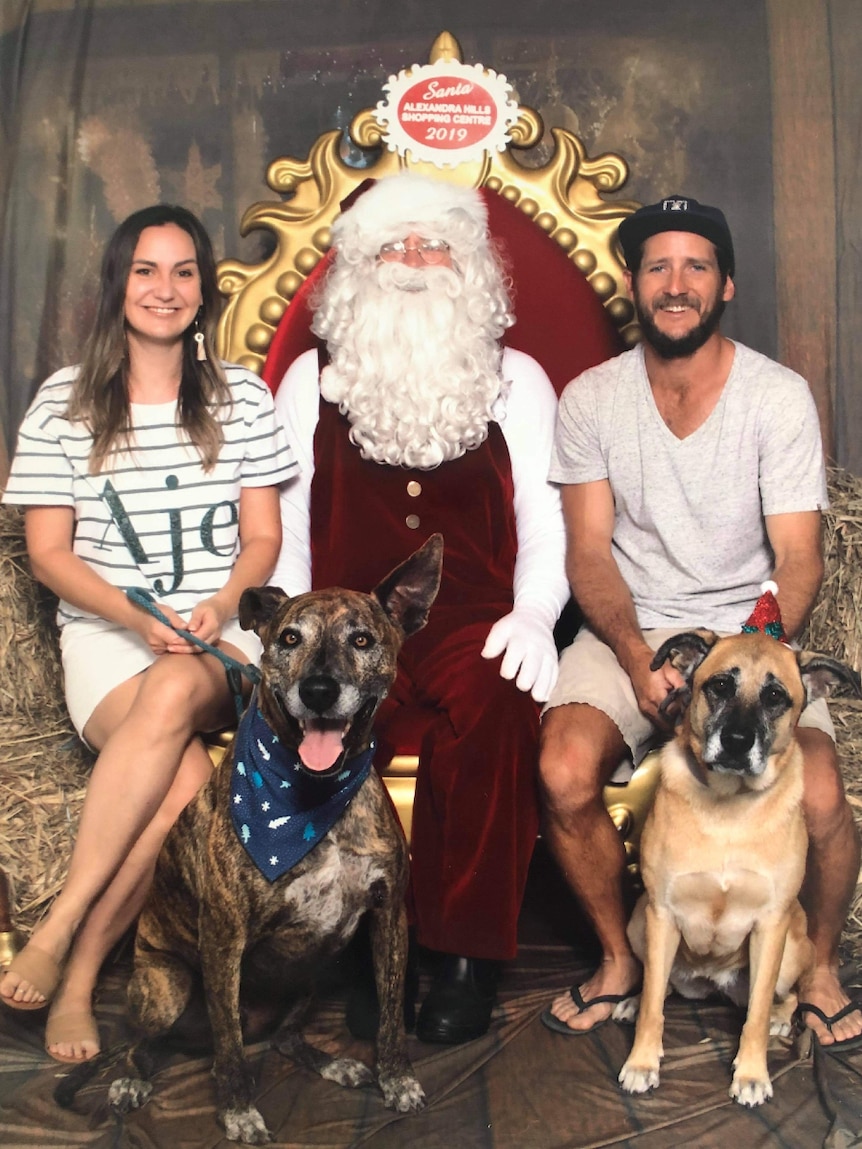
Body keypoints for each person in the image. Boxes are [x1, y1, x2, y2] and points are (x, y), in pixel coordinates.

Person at [538, 194, 862, 1051]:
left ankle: (819, 966)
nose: (675, 285)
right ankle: (621, 958)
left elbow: (801, 560)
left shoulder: (777, 397)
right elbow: (589, 555)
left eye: (695, 267)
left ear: (725, 286)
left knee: (823, 795)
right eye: (657, 267)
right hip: (631, 633)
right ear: (633, 285)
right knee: (564, 770)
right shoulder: (589, 398)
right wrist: (643, 658)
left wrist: (733, 667)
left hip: (749, 642)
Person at [270, 173, 571, 1044]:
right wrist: (294, 641)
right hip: (344, 629)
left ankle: (465, 958)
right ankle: (370, 947)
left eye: (431, 243)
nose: (411, 261)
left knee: (495, 706)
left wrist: (534, 616)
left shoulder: (518, 380)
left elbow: (545, 524)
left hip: (472, 624)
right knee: (332, 724)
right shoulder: (308, 381)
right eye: (392, 245)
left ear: (467, 264)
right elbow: (288, 526)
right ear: (359, 263)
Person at [0, 205, 297, 1063]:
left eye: (182, 273)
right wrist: (136, 615)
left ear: (204, 291)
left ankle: (58, 933)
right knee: (180, 786)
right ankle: (86, 978)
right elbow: (48, 553)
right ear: (117, 284)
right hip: (106, 639)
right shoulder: (64, 400)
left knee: (176, 685)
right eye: (145, 270)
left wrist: (220, 603)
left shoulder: (242, 396)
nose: (164, 289)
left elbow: (264, 541)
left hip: (221, 638)